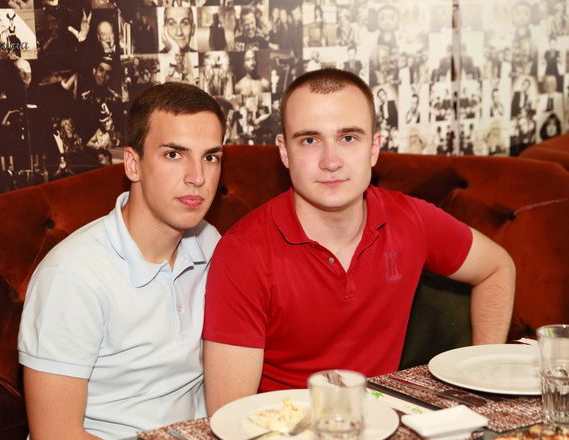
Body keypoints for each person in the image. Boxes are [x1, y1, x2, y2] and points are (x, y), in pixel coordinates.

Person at [202, 68, 515, 410]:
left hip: (389, 420)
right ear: (285, 152)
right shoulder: (243, 252)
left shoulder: (412, 219)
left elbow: (497, 267)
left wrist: (479, 380)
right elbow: (228, 412)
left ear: (374, 148)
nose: (331, 161)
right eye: (309, 140)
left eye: (348, 138)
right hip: (286, 430)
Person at [17, 82, 225, 440]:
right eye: (174, 154)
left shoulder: (209, 243)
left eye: (210, 157)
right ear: (133, 164)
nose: (197, 177)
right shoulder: (73, 276)